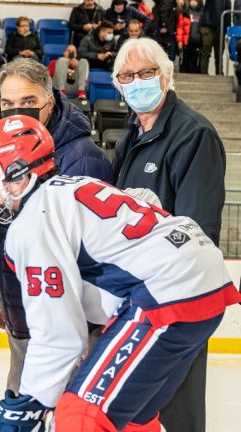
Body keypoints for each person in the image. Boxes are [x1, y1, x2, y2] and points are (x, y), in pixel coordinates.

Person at [0, 115, 241, 432]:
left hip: (169, 291)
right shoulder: (77, 185)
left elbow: (58, 336)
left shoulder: (33, 222)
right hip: (205, 284)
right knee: (132, 419)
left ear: (17, 174)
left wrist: (27, 405)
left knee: (79, 415)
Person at [111, 37, 227, 432]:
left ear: (167, 76)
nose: (137, 82)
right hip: (138, 297)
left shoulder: (193, 134)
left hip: (178, 299)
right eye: (128, 75)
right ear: (117, 84)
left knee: (177, 409)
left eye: (147, 73)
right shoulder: (132, 134)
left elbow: (197, 231)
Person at [0, 57, 112, 395]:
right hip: (21, 308)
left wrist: (83, 328)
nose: (16, 111)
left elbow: (92, 251)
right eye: (7, 104)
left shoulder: (83, 157)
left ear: (49, 101)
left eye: (28, 102)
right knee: (22, 401)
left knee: (62, 411)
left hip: (63, 321)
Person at [199, 0, 231, 75]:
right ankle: (203, 75)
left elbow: (228, 12)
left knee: (219, 55)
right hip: (208, 26)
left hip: (220, 28)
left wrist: (226, 29)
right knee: (206, 53)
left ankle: (219, 74)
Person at [176, 0, 203, 73]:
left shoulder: (202, 13)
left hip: (197, 41)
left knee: (195, 60)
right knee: (185, 60)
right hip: (186, 41)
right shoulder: (184, 13)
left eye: (195, 0)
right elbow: (180, 28)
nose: (193, 2)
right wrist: (179, 41)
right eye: (192, 0)